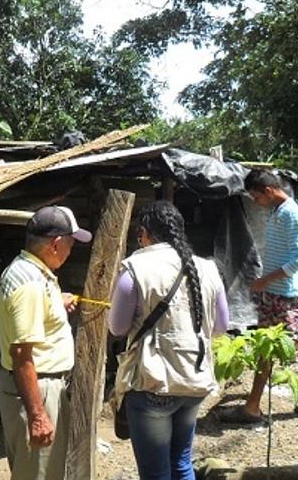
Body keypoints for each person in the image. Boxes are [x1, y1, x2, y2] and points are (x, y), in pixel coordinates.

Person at [109, 201, 229, 480]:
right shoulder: (207, 268)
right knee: (181, 464)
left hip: (154, 381)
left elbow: (117, 327)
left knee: (155, 472)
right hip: (194, 380)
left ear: (144, 233)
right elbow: (221, 327)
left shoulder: (135, 267)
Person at [221, 169, 298, 424]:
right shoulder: (276, 211)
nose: (256, 202)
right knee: (265, 348)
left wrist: (266, 280)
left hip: (287, 295)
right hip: (275, 293)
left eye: (256, 197)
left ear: (268, 191)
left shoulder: (289, 213)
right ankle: (252, 407)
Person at [0, 205, 92, 480]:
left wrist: (54, 303)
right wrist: (38, 415)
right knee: (39, 475)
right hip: (39, 387)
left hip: (38, 385)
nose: (71, 251)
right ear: (55, 244)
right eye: (71, 244)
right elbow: (21, 354)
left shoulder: (28, 271)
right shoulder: (31, 285)